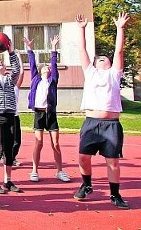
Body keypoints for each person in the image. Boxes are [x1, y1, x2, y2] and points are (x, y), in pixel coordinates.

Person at [75, 13, 130, 209]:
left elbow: (119, 51)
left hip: (111, 125)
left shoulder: (114, 74)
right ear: (95, 64)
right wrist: (81, 29)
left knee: (113, 161)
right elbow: (82, 50)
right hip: (91, 122)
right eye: (100, 59)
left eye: (106, 59)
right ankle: (86, 185)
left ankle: (115, 195)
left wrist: (120, 28)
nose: (104, 60)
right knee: (83, 157)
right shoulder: (90, 73)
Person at [26, 35, 71, 183]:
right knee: (38, 143)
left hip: (50, 114)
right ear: (40, 70)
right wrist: (30, 49)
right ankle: (34, 171)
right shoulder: (35, 79)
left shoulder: (53, 80)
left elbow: (54, 63)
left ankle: (60, 171)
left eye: (49, 67)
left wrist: (53, 48)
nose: (48, 67)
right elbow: (32, 64)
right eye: (45, 66)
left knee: (56, 143)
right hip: (39, 114)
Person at [0, 41, 22, 194]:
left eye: (2, 63)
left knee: (10, 149)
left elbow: (17, 70)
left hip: (10, 115)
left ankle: (8, 180)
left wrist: (11, 52)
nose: (1, 65)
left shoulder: (9, 79)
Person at [11, 52, 25, 167]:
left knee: (17, 140)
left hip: (15, 116)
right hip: (4, 116)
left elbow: (21, 73)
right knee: (4, 139)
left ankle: (12, 157)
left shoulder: (15, 87)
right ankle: (5, 157)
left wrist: (19, 59)